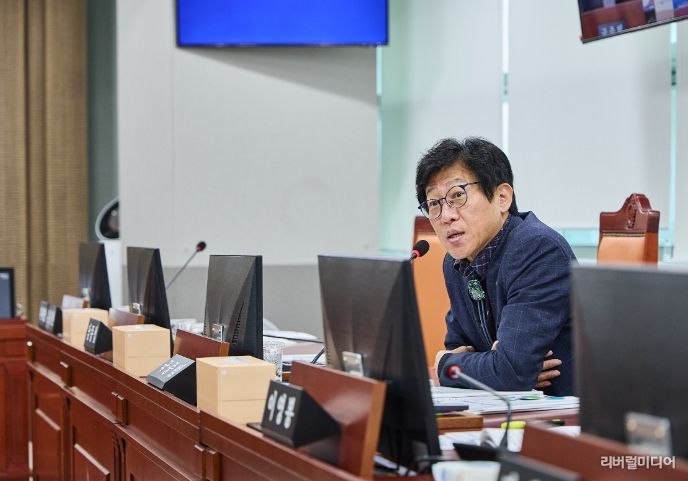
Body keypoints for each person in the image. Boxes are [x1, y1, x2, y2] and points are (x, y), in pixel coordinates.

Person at [416, 137, 575, 396]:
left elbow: (509, 371)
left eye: (457, 196)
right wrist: (492, 366)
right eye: (434, 203)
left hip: (558, 412)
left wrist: (446, 365)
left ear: (502, 197)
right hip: (501, 408)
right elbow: (458, 348)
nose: (446, 216)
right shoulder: (455, 262)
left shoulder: (538, 249)